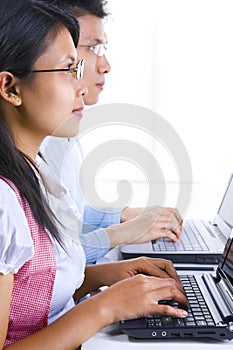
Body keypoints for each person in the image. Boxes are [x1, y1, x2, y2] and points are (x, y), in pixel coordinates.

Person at [0, 0, 189, 347]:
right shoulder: (2, 202)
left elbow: (31, 288)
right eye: (67, 70)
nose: (81, 87)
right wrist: (104, 307)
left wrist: (106, 276)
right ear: (11, 88)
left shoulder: (35, 170)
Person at [40, 0, 183, 264]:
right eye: (93, 47)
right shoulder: (42, 140)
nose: (105, 65)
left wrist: (122, 216)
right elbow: (54, 262)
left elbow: (69, 216)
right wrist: (122, 232)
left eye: (103, 48)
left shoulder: (66, 129)